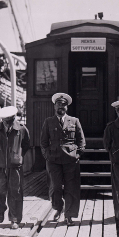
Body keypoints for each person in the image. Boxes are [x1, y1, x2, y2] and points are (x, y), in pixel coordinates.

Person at [40, 93, 86, 226]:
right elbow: (43, 142)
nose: (61, 106)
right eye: (59, 104)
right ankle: (58, 208)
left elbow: (81, 141)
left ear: (67, 107)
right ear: (55, 106)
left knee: (71, 187)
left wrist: (77, 154)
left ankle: (70, 214)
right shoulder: (48, 121)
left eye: (64, 104)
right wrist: (47, 156)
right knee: (55, 187)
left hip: (70, 160)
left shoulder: (74, 121)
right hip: (53, 160)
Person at [0, 106, 30, 229]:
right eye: (5, 121)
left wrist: (18, 156)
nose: (7, 123)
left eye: (9, 120)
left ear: (13, 118)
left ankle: (15, 219)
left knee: (15, 192)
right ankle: (0, 210)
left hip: (15, 166)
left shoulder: (22, 129)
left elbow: (26, 144)